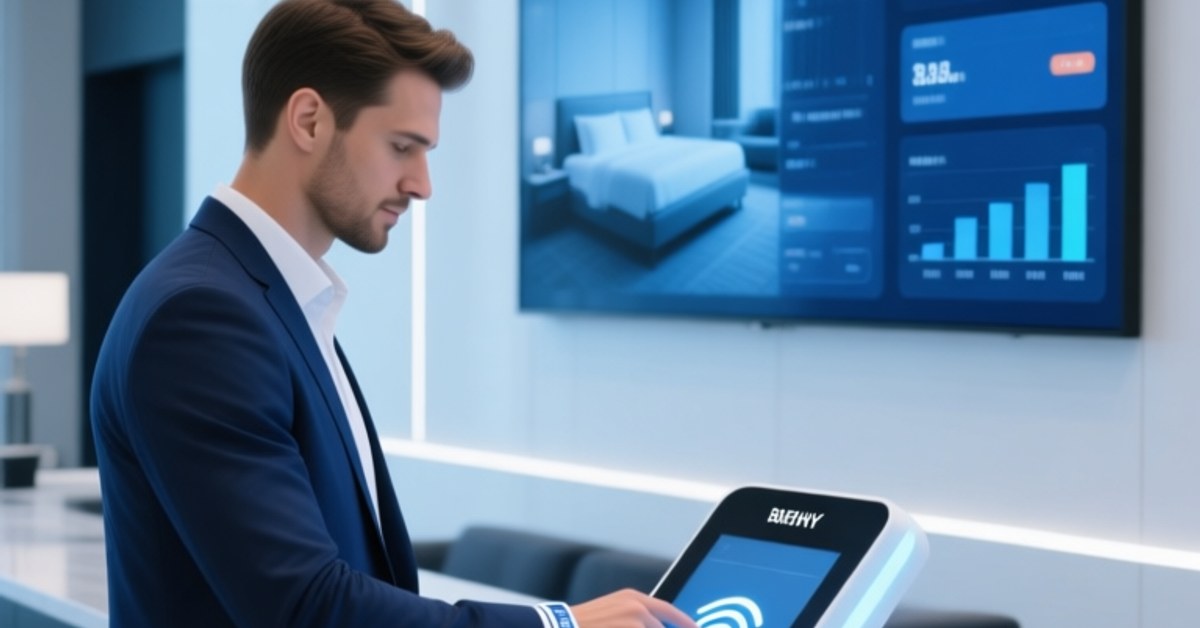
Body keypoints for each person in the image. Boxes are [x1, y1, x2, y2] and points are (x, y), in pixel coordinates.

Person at [90, 1, 698, 626]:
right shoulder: (202, 317)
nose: (422, 183)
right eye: (402, 147)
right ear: (308, 120)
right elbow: (305, 607)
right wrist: (559, 624)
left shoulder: (268, 301)